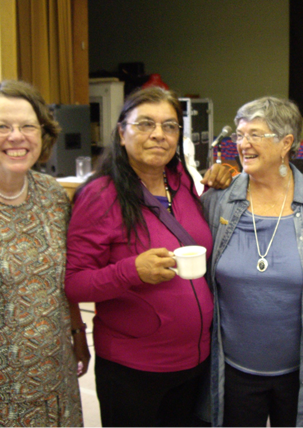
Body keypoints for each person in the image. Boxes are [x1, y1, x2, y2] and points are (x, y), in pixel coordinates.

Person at [64, 87, 231, 428]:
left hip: (196, 360)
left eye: (169, 126)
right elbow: (74, 283)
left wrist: (222, 178)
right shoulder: (100, 195)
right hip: (134, 369)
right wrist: (131, 271)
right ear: (122, 133)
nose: (158, 134)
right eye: (145, 124)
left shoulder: (181, 180)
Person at [201, 96, 303, 428]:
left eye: (255, 134)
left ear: (286, 143)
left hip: (302, 374)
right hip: (233, 371)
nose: (243, 144)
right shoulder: (218, 200)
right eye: (239, 134)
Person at [0, 80, 89, 426]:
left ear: (43, 134)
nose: (17, 136)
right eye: (2, 126)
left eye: (28, 126)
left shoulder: (52, 195)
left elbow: (64, 280)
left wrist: (78, 334)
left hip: (53, 382)